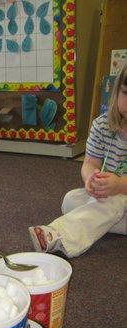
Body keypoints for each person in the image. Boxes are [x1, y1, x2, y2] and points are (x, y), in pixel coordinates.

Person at [28, 62, 127, 258]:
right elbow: (90, 163)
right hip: (107, 198)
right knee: (71, 201)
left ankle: (58, 234)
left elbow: (117, 190)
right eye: (126, 93)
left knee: (114, 203)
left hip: (117, 195)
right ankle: (96, 220)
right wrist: (90, 179)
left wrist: (119, 186)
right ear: (116, 92)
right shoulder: (102, 125)